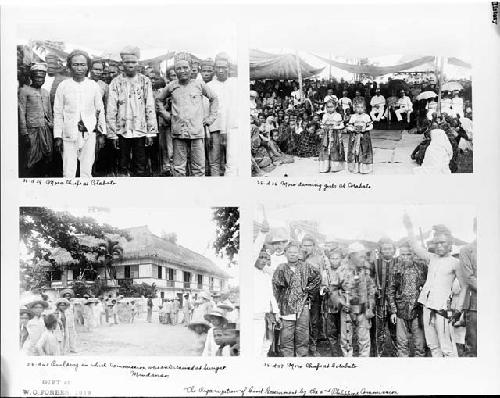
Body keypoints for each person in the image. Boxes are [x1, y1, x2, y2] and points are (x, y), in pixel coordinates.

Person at [403, 214, 467, 357]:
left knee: (446, 346)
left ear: (450, 244)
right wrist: (409, 228)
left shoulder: (455, 262)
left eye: (443, 243)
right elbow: (414, 246)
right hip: (427, 305)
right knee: (432, 344)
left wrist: (458, 310)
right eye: (436, 243)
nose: (439, 246)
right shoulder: (432, 258)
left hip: (443, 308)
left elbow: (464, 287)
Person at [156, 52, 219, 177]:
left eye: (185, 67)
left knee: (199, 168)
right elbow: (159, 100)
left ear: (191, 68)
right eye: (178, 68)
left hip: (196, 131)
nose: (182, 71)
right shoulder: (171, 86)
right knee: (179, 168)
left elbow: (214, 98)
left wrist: (211, 118)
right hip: (178, 132)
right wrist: (167, 115)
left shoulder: (199, 85)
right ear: (175, 70)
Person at [53, 50, 106, 178]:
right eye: (75, 64)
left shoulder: (93, 86)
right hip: (69, 131)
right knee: (68, 170)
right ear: (69, 66)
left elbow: (100, 110)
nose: (79, 68)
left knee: (87, 169)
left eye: (83, 64)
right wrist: (57, 136)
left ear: (88, 66)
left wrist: (101, 133)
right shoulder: (63, 86)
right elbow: (58, 112)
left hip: (89, 132)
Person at [107, 46, 158, 177]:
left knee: (140, 164)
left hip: (140, 130)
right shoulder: (115, 82)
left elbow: (150, 106)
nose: (130, 65)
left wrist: (150, 133)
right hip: (121, 131)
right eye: (127, 62)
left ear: (138, 63)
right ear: (122, 64)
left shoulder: (145, 81)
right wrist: (112, 134)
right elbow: (111, 109)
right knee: (122, 164)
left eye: (133, 62)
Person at [272, 241, 321, 357]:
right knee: (286, 339)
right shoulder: (281, 269)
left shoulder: (306, 266)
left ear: (299, 253)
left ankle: (302, 362)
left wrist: (307, 291)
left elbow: (317, 278)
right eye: (290, 252)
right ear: (285, 254)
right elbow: (275, 289)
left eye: (295, 252)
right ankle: (288, 362)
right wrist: (278, 306)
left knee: (302, 337)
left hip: (302, 308)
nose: (293, 254)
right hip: (286, 308)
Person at [387, 241, 427, 357]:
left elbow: (427, 287)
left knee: (420, 344)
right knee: (402, 343)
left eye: (408, 254)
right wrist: (393, 311)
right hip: (401, 311)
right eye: (403, 254)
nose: (405, 257)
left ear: (413, 254)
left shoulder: (422, 267)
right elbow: (390, 291)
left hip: (417, 311)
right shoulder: (396, 269)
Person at [337, 242, 376, 357]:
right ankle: (348, 362)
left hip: (363, 308)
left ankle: (364, 361)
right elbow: (333, 289)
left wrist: (370, 305)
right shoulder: (341, 270)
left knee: (364, 337)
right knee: (346, 338)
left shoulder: (366, 270)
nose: (363, 258)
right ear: (352, 256)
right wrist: (341, 302)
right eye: (361, 256)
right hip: (347, 308)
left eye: (364, 256)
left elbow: (372, 288)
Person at [18, 63, 53, 177]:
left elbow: (50, 112)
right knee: (31, 158)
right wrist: (24, 133)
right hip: (32, 130)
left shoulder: (46, 93)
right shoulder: (24, 91)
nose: (40, 79)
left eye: (42, 77)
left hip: (45, 129)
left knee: (46, 156)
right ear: (31, 77)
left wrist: (51, 126)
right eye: (37, 77)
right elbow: (21, 112)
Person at [207, 53, 238, 177]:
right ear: (214, 68)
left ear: (228, 68)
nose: (221, 70)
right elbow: (206, 111)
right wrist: (207, 131)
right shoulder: (209, 86)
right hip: (215, 128)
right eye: (218, 67)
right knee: (215, 162)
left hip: (233, 127)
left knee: (233, 161)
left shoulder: (235, 83)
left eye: (224, 67)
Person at [371, 238, 397, 357]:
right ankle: (378, 355)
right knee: (379, 331)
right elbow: (369, 280)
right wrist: (374, 288)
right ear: (380, 250)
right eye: (384, 249)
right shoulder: (375, 263)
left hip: (395, 303)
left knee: (395, 331)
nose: (387, 251)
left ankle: (397, 354)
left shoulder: (398, 262)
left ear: (394, 250)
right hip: (379, 303)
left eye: (389, 248)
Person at [456, 218, 477, 356]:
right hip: (476, 305)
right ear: (475, 229)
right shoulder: (466, 250)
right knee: (474, 346)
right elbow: (469, 277)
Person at [320, 248, 343, 357]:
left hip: (343, 306)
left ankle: (344, 351)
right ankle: (334, 353)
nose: (334, 260)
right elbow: (322, 287)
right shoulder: (325, 272)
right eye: (332, 258)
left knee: (343, 330)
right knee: (331, 331)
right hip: (330, 305)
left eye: (337, 258)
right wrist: (325, 289)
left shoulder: (344, 271)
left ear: (341, 259)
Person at [319, 100, 345, 173]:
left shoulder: (338, 115)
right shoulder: (325, 115)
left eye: (331, 107)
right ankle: (325, 166)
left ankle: (335, 167)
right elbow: (322, 124)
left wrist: (335, 127)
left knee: (335, 148)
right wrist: (324, 127)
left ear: (335, 107)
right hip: (326, 135)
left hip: (335, 134)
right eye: (328, 107)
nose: (329, 108)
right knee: (326, 149)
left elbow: (342, 125)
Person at [346, 103, 373, 174]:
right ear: (355, 109)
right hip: (355, 135)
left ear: (364, 108)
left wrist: (366, 129)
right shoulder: (353, 116)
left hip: (364, 136)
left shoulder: (366, 116)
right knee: (355, 151)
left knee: (364, 150)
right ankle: (355, 167)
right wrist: (352, 129)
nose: (360, 109)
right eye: (358, 107)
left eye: (361, 107)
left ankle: (364, 168)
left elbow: (371, 126)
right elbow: (349, 126)